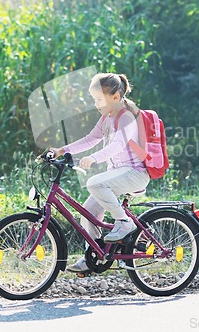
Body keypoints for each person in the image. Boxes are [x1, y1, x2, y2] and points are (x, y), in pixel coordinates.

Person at [50, 72, 150, 272]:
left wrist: (95, 158)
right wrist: (62, 150)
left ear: (115, 97)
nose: (95, 104)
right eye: (93, 99)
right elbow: (90, 139)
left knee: (94, 183)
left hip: (134, 174)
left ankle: (124, 222)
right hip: (118, 174)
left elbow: (118, 144)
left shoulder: (126, 118)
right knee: (88, 214)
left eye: (98, 99)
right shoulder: (106, 118)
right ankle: (94, 256)